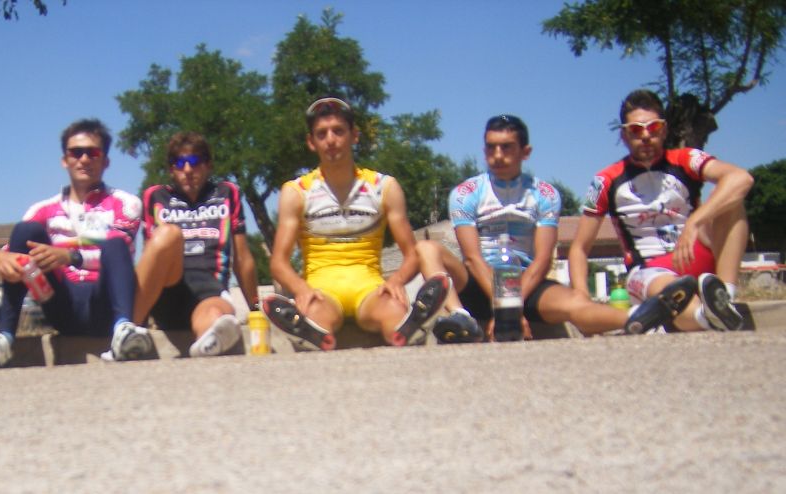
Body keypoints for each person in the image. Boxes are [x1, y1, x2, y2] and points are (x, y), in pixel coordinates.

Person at [417, 114, 683, 342]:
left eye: (506, 147)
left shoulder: (545, 194)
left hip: (525, 282)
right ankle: (461, 317)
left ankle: (641, 317)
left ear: (526, 152)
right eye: (491, 147)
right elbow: (473, 259)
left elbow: (543, 259)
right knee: (427, 249)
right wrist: (503, 308)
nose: (497, 155)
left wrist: (512, 308)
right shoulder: (465, 193)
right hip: (478, 281)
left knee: (576, 303)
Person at [263, 97, 450, 350]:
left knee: (393, 309)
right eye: (321, 134)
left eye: (338, 131)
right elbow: (278, 262)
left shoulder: (383, 187)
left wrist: (397, 280)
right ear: (311, 142)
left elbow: (411, 254)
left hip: (370, 287)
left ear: (354, 136)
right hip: (321, 289)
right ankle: (309, 333)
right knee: (315, 314)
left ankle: (409, 328)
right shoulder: (297, 191)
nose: (330, 140)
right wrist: (300, 289)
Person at [569, 89, 754, 333]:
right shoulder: (605, 180)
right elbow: (579, 248)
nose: (646, 135)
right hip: (650, 269)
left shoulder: (685, 159)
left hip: (696, 252)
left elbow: (741, 178)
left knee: (731, 198)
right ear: (624, 135)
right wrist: (582, 296)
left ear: (664, 130)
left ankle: (725, 298)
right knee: (671, 292)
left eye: (653, 127)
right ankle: (707, 316)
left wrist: (696, 221)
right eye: (636, 130)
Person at [0, 118, 151, 369]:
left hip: (105, 302)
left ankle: (124, 328)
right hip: (61, 302)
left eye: (93, 152)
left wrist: (70, 256)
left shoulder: (126, 202)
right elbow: (16, 247)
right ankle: (4, 337)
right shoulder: (42, 209)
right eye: (76, 152)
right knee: (26, 230)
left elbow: (122, 247)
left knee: (114, 243)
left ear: (105, 161)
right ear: (64, 160)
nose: (84, 159)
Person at [134, 132, 259, 357]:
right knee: (167, 235)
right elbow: (150, 258)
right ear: (171, 169)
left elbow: (242, 258)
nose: (188, 170)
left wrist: (255, 309)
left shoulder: (227, 193)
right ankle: (130, 331)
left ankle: (205, 347)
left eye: (195, 161)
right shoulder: (155, 197)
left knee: (216, 318)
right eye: (179, 163)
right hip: (168, 290)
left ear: (208, 165)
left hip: (209, 292)